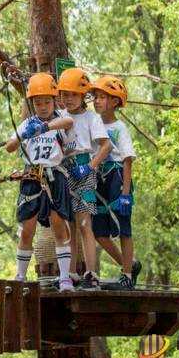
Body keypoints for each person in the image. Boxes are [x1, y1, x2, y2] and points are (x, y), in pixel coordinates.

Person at [6, 73, 75, 292]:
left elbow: (69, 121)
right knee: (27, 229)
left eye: (47, 101)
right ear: (32, 103)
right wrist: (22, 135)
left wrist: (45, 128)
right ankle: (20, 276)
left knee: (58, 226)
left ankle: (64, 277)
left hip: (55, 176)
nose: (43, 106)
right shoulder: (27, 123)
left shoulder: (59, 119)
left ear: (54, 100)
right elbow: (9, 146)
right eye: (38, 102)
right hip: (32, 177)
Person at [57, 68, 111, 290]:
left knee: (84, 222)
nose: (68, 99)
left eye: (72, 95)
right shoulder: (59, 116)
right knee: (68, 224)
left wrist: (90, 167)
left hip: (84, 169)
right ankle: (70, 273)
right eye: (64, 95)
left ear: (83, 96)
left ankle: (91, 273)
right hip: (63, 169)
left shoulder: (91, 118)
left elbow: (106, 146)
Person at [91, 76, 142, 289]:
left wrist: (125, 194)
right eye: (95, 97)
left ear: (115, 102)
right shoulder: (92, 123)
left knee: (123, 227)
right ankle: (128, 264)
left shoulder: (120, 128)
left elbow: (127, 159)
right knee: (99, 231)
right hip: (98, 180)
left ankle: (127, 277)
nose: (97, 101)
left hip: (118, 178)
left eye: (102, 97)